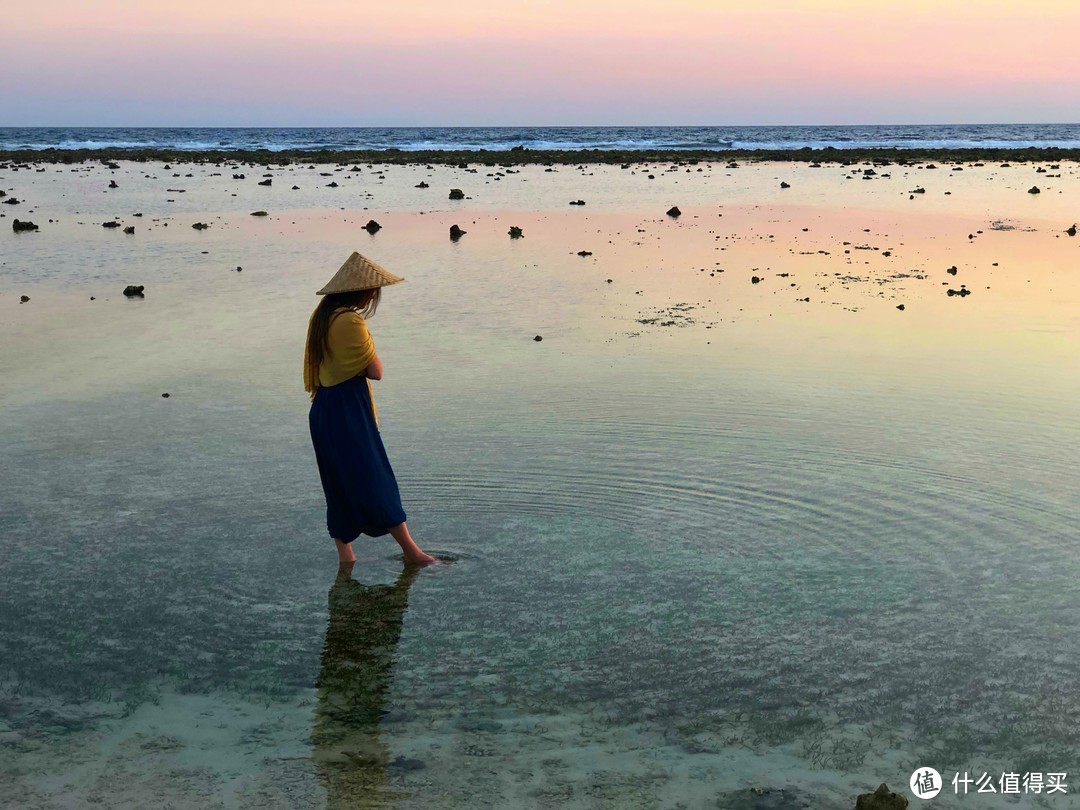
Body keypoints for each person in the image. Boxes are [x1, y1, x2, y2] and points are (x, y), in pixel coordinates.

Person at [304, 252, 435, 566]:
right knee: (376, 477)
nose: (375, 296)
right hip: (348, 409)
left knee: (337, 483)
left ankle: (346, 557)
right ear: (363, 291)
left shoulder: (321, 316)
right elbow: (376, 370)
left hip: (324, 409)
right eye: (374, 291)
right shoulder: (349, 320)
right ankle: (412, 554)